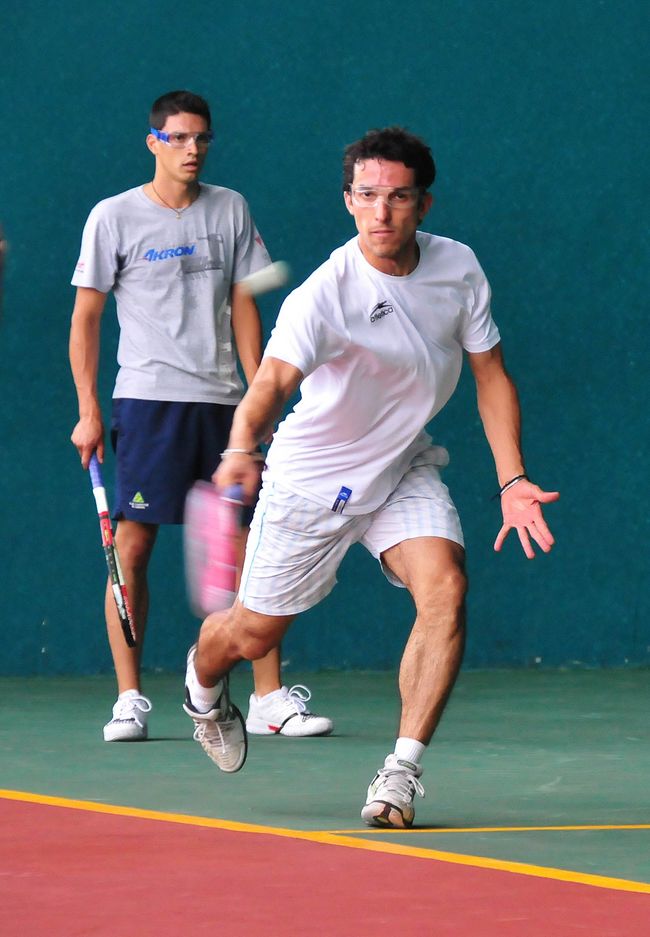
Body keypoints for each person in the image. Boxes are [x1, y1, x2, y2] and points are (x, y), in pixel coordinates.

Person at [182, 125, 559, 824]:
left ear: (424, 203)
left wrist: (512, 480)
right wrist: (239, 445)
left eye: (398, 196)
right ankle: (202, 687)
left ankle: (400, 773)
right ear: (348, 200)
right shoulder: (324, 294)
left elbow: (491, 374)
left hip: (402, 467)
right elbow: (271, 384)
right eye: (367, 195)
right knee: (251, 636)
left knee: (446, 588)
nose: (381, 211)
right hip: (312, 480)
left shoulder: (458, 268)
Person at [69, 90, 332, 744]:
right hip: (148, 402)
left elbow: (246, 301)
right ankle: (129, 699)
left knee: (250, 546)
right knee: (133, 546)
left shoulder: (231, 207)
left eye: (201, 139)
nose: (193, 150)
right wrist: (88, 409)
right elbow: (86, 318)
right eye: (179, 138)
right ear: (153, 142)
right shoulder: (112, 217)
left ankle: (267, 698)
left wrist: (258, 392)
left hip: (223, 405)